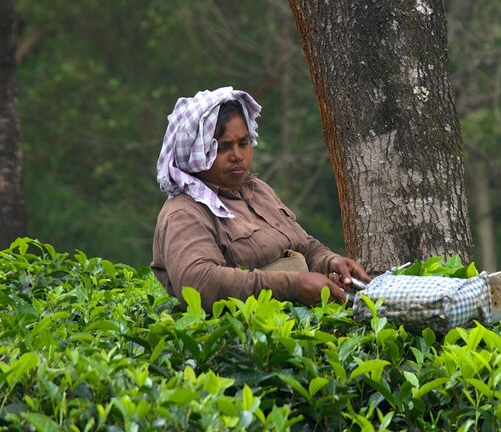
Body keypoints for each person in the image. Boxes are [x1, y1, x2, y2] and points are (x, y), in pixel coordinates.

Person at [151, 86, 370, 311]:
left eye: (243, 143)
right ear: (195, 152)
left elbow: (304, 245)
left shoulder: (256, 190)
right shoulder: (184, 213)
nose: (238, 156)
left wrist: (329, 261)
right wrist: (293, 286)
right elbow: (199, 283)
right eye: (223, 147)